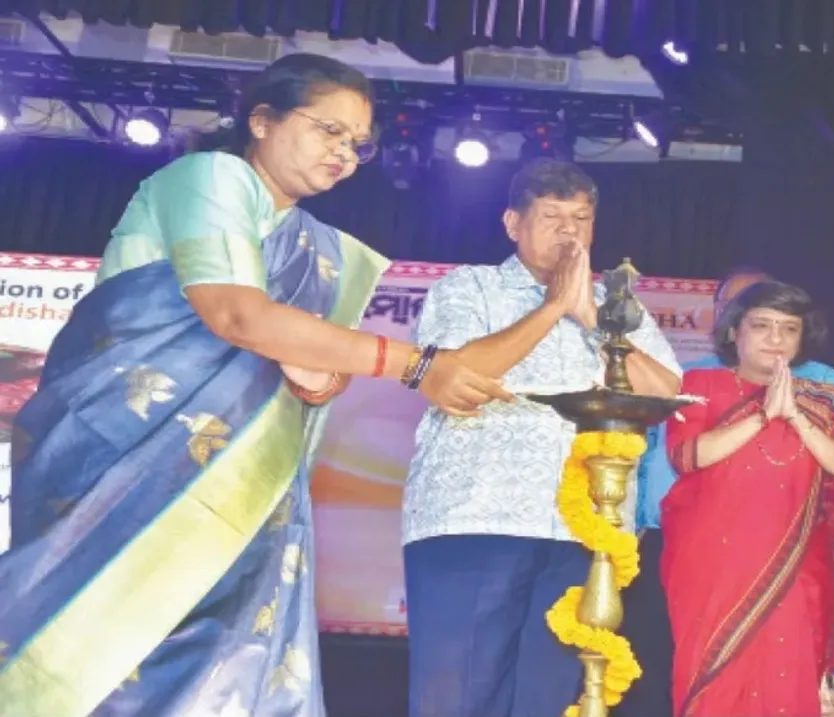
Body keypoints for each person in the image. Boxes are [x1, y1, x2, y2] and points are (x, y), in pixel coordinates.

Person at [0, 54, 511, 717]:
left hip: (240, 486)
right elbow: (237, 315)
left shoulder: (317, 247)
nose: (345, 153)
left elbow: (312, 376)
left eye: (358, 143)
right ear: (263, 120)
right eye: (329, 130)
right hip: (122, 456)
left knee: (219, 650)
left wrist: (316, 378)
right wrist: (417, 365)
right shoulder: (211, 177)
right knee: (96, 632)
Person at [402, 158, 682, 717]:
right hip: (476, 517)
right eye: (552, 217)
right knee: (458, 695)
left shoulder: (617, 307)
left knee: (548, 697)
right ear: (513, 223)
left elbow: (664, 393)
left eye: (581, 218)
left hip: (582, 529)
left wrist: (589, 315)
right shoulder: (469, 287)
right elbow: (458, 375)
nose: (568, 231)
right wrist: (553, 307)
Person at [619, 266, 834, 717]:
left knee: (787, 677)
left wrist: (795, 415)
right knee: (713, 678)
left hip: (793, 564)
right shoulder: (697, 385)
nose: (776, 338)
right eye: (762, 325)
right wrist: (762, 415)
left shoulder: (825, 396)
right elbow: (687, 456)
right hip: (712, 563)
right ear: (734, 331)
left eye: (789, 329)